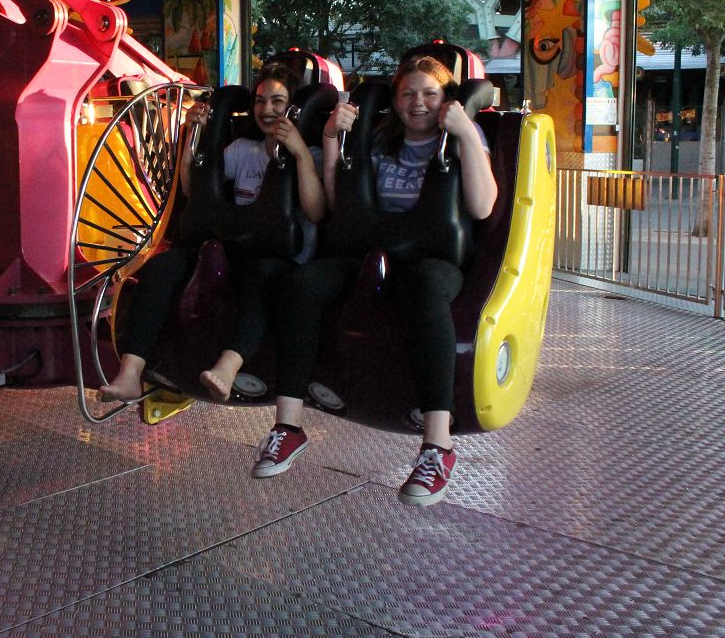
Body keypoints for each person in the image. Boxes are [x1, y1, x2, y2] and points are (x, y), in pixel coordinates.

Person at [252, 55, 497, 510]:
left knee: (426, 290)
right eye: (408, 93)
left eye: (429, 94)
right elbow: (337, 203)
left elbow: (482, 206)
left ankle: (437, 446)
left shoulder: (462, 136)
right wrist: (331, 138)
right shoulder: (380, 141)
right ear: (395, 100)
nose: (418, 103)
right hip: (371, 253)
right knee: (302, 284)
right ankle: (288, 426)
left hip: (430, 259)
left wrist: (464, 131)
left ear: (446, 99)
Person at [100, 63, 326, 403]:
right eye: (260, 101)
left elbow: (316, 211)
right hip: (232, 243)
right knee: (162, 268)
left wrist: (299, 154)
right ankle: (130, 373)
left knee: (262, 280)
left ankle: (227, 367)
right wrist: (194, 139)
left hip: (276, 254)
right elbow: (196, 193)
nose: (267, 110)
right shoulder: (244, 150)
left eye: (277, 102)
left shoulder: (311, 155)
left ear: (292, 108)